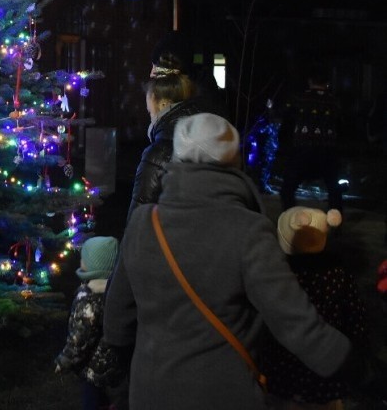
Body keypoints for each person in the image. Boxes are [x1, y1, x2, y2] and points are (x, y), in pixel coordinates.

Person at [103, 113, 355, 410]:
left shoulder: (143, 223)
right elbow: (294, 322)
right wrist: (351, 363)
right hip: (223, 394)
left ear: (178, 158)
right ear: (234, 164)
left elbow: (117, 322)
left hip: (151, 391)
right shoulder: (248, 231)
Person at [262, 206, 368, 410]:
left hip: (284, 371)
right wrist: (355, 352)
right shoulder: (338, 274)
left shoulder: (278, 276)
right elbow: (355, 317)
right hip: (326, 371)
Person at [55, 236, 127, 410]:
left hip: (93, 372)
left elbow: (79, 339)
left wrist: (63, 361)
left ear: (94, 263)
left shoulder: (88, 299)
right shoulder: (118, 294)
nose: (80, 261)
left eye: (84, 258)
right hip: (117, 370)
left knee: (92, 403)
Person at [126, 59, 202, 221]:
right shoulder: (205, 140)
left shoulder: (159, 153)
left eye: (150, 113)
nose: (151, 119)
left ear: (163, 105)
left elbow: (139, 216)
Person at [279, 71, 343, 214]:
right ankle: (335, 222)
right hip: (328, 152)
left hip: (302, 150)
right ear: (327, 83)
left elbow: (287, 123)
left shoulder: (299, 99)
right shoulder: (335, 102)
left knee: (287, 188)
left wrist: (286, 145)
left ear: (310, 81)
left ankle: (291, 218)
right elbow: (342, 127)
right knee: (334, 189)